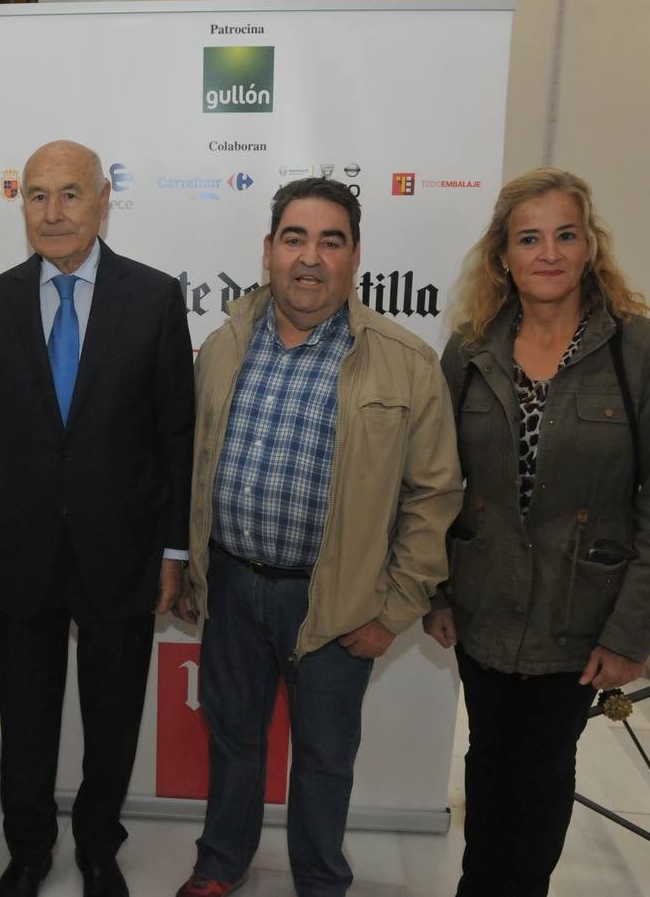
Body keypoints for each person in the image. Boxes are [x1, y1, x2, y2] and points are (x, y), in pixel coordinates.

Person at [173, 177, 462, 897]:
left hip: (337, 603)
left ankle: (320, 879)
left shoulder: (405, 362)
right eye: (294, 238)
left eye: (330, 241)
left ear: (355, 256)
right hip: (233, 585)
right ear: (268, 250)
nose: (310, 257)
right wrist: (194, 573)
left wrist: (393, 609)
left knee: (326, 757)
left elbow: (433, 496)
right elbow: (191, 465)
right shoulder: (223, 346)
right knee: (234, 739)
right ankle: (221, 861)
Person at [422, 167, 650, 897]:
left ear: (589, 246)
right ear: (502, 255)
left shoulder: (644, 352)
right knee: (488, 762)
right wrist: (437, 592)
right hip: (482, 608)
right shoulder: (470, 350)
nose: (548, 253)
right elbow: (437, 483)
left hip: (581, 617)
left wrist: (630, 634)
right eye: (529, 238)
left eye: (565, 235)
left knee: (541, 774)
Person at [0, 139, 195, 897]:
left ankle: (100, 846)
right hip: (24, 549)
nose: (54, 211)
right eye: (38, 195)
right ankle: (28, 849)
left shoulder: (154, 297)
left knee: (113, 717)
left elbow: (175, 434)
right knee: (27, 717)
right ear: (22, 205)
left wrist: (172, 551)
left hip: (123, 549)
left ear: (103, 200)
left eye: (70, 193)